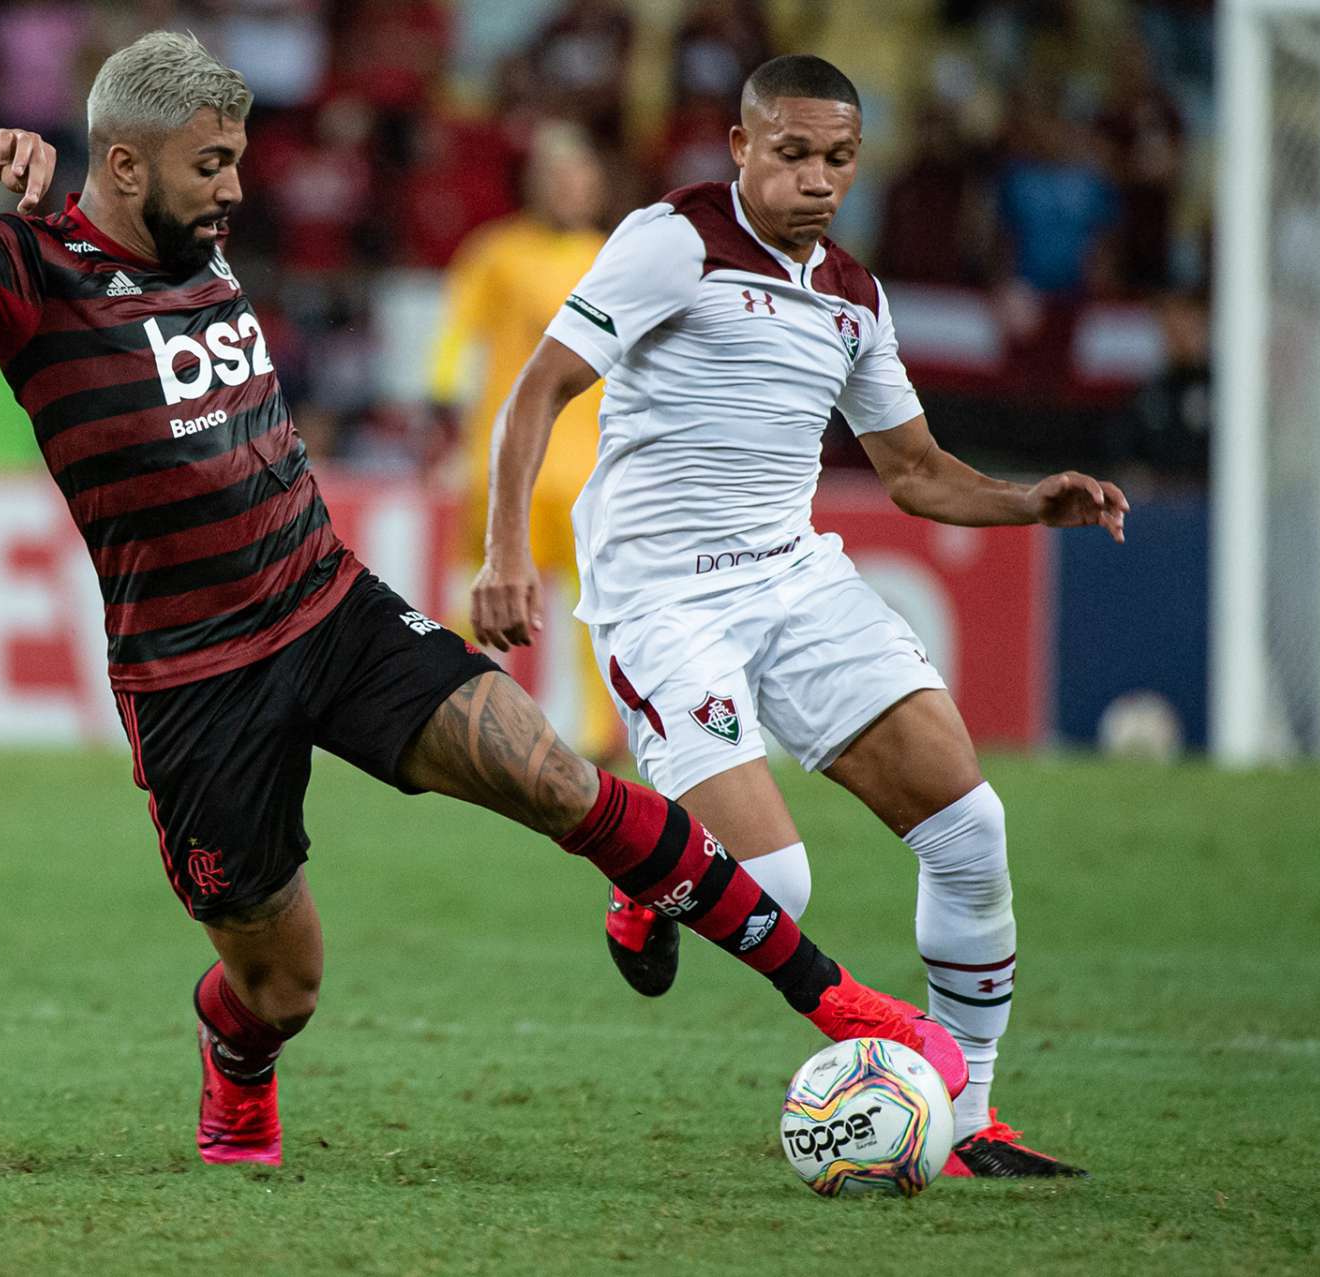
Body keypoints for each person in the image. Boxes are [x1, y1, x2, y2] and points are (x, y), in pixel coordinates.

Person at [0, 31, 964, 1169]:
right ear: (124, 165)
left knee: (557, 776)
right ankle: (237, 1052)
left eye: (237, 160)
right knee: (283, 985)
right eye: (210, 165)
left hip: (331, 609)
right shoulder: (31, 274)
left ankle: (840, 1001)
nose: (235, 188)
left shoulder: (201, 239)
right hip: (194, 680)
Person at [473, 54, 1128, 1178]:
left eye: (838, 159)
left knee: (971, 830)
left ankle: (969, 1117)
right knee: (774, 887)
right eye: (792, 153)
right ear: (741, 147)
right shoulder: (673, 240)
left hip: (793, 580)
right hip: (663, 594)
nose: (817, 179)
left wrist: (1029, 501)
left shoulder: (854, 295)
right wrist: (502, 553)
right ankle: (646, 877)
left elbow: (913, 471)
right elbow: (538, 387)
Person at [429, 121, 617, 758]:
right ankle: (435, 706)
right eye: (557, 178)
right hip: (508, 461)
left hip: (589, 466)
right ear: (535, 185)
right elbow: (454, 335)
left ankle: (600, 734)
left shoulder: (611, 257)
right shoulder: (496, 253)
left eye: (580, 178)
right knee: (482, 595)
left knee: (598, 605)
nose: (570, 190)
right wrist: (442, 409)